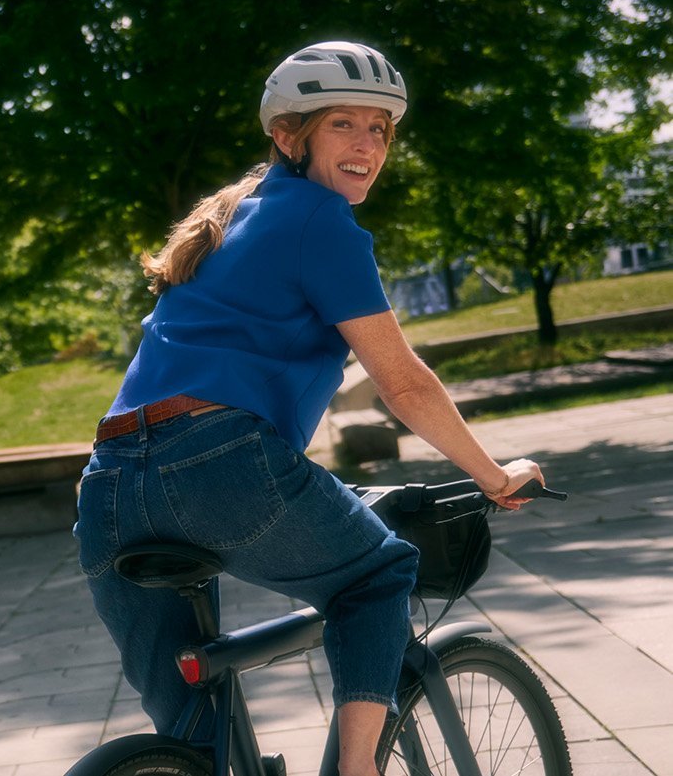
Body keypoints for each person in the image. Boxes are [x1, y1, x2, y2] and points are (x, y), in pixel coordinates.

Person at [74, 40, 544, 776]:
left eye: (379, 129)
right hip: (222, 463)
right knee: (378, 575)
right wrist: (494, 475)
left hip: (108, 488)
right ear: (289, 135)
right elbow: (404, 384)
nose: (367, 145)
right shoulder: (320, 219)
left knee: (197, 741)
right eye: (342, 125)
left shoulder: (229, 219)